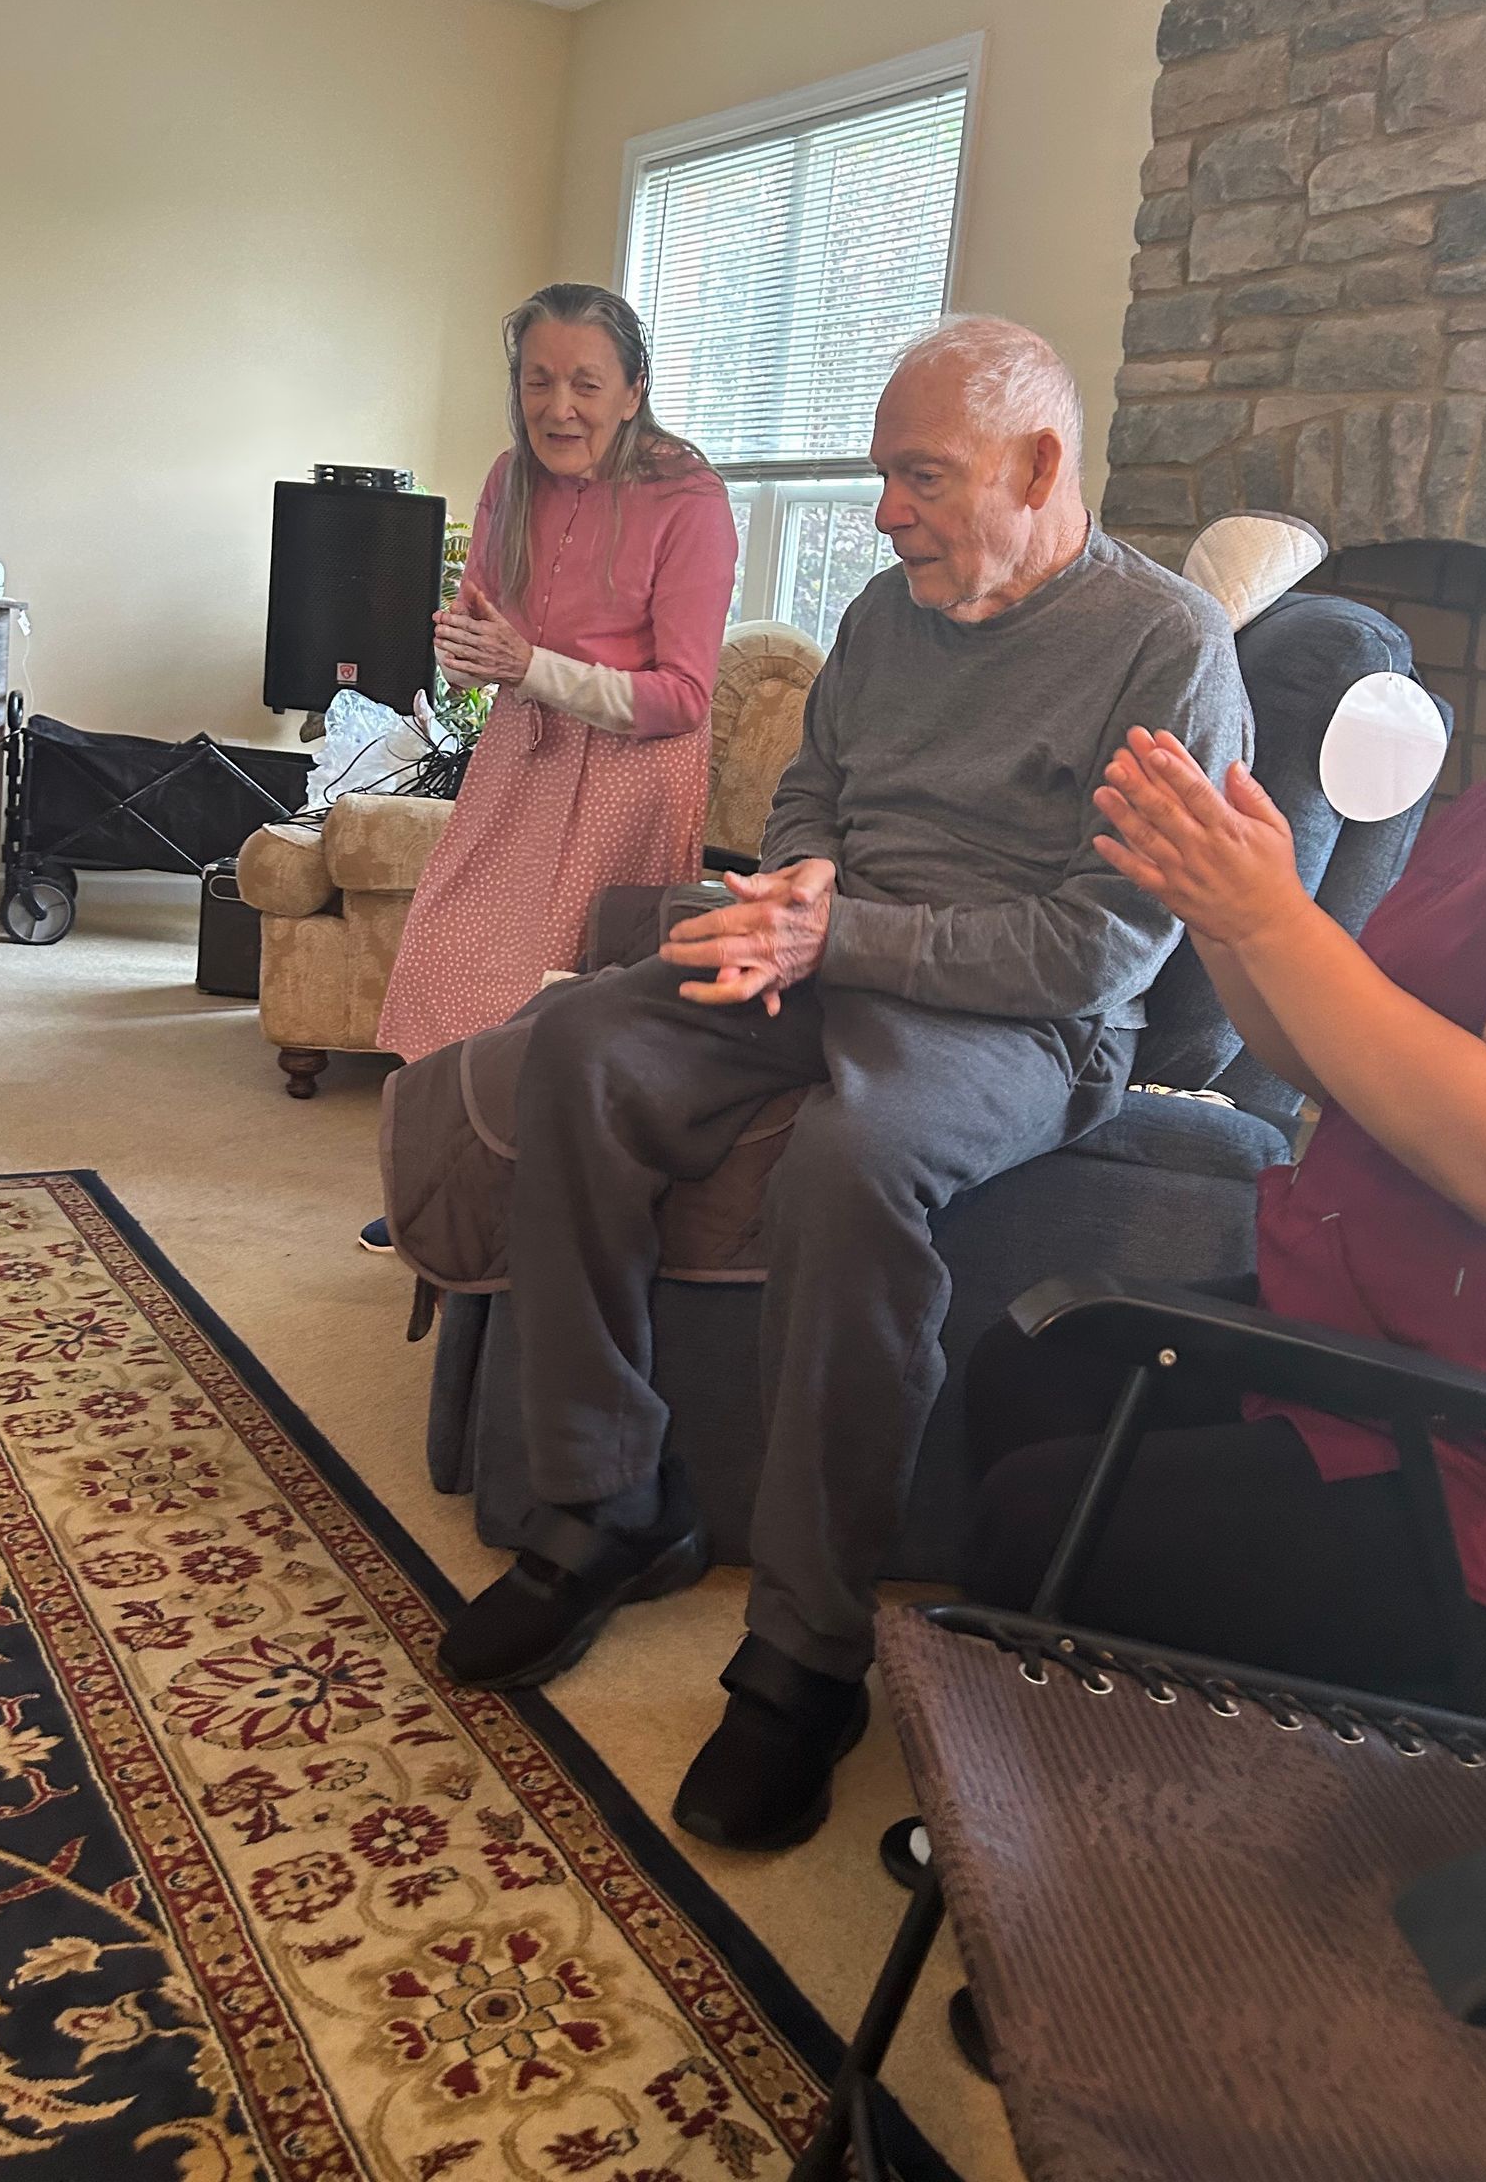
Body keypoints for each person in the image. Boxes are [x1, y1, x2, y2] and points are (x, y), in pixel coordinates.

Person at [433, 316, 1252, 1850]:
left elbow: (1100, 954)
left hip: (1017, 1022)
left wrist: (843, 930)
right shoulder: (886, 616)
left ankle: (807, 1655)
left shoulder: (1167, 651)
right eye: (882, 478)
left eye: (920, 477)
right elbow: (812, 783)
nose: (886, 514)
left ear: (1041, 463)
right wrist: (793, 888)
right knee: (577, 1049)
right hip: (823, 957)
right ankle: (612, 1502)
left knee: (855, 1161)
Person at [968, 393, 1486, 1708]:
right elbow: (1339, 1057)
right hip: (1362, 1348)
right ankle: (1079, 1760)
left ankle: (1143, 1836)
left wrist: (1272, 911)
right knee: (1029, 1370)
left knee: (1049, 1510)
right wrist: (1227, 913)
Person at [361, 283, 737, 1249]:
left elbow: (684, 698)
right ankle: (445, 1189)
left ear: (633, 389)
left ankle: (531, 1208)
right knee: (446, 948)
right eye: (537, 380)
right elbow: (493, 619)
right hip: (523, 749)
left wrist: (532, 667)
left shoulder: (688, 498)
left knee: (548, 989)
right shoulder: (508, 476)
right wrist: (473, 650)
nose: (557, 407)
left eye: (585, 383)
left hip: (628, 771)